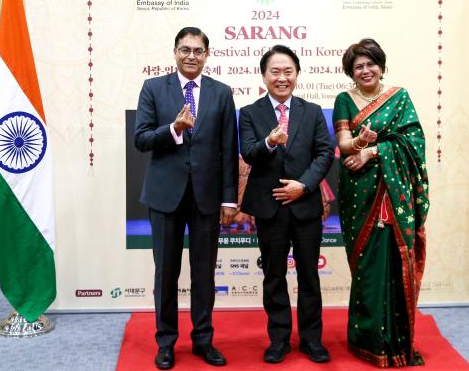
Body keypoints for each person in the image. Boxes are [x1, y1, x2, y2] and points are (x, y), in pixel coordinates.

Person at [134, 27, 238, 370]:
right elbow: (142, 139)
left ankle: (203, 341)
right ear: (174, 53)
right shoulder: (153, 88)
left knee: (204, 273)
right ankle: (165, 343)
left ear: (207, 55)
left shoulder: (222, 93)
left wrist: (228, 200)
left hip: (207, 198)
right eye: (185, 49)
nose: (191, 55)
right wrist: (174, 129)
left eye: (198, 50)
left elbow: (228, 150)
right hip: (165, 196)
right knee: (166, 273)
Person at [332, 38, 429, 367]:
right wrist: (359, 142)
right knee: (368, 269)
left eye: (370, 64)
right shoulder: (345, 100)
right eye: (358, 66)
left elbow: (413, 140)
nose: (365, 70)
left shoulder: (400, 98)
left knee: (395, 263)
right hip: (359, 194)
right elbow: (344, 144)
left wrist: (374, 151)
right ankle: (368, 340)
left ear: (381, 66)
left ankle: (399, 343)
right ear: (351, 72)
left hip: (395, 194)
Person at [239, 45, 334, 364]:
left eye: (288, 71)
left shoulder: (312, 111)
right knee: (274, 276)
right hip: (269, 208)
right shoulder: (250, 113)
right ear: (264, 75)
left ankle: (311, 339)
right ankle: (278, 339)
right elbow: (249, 152)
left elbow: (324, 154)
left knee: (309, 275)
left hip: (305, 206)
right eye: (275, 72)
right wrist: (269, 142)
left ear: (297, 74)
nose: (282, 78)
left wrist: (303, 186)